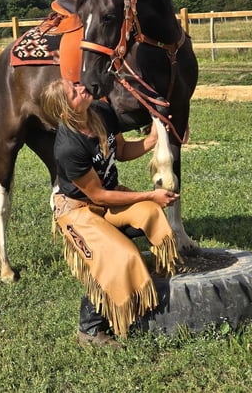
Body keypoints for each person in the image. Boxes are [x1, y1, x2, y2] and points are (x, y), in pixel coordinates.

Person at [41, 78, 182, 347]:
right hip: (78, 210)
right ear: (65, 111)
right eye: (74, 92)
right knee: (120, 256)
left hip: (107, 198)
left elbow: (123, 149)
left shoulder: (102, 112)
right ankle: (90, 329)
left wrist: (154, 139)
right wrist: (150, 193)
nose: (82, 88)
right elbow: (98, 195)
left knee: (151, 214)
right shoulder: (68, 147)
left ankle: (159, 279)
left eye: (77, 84)